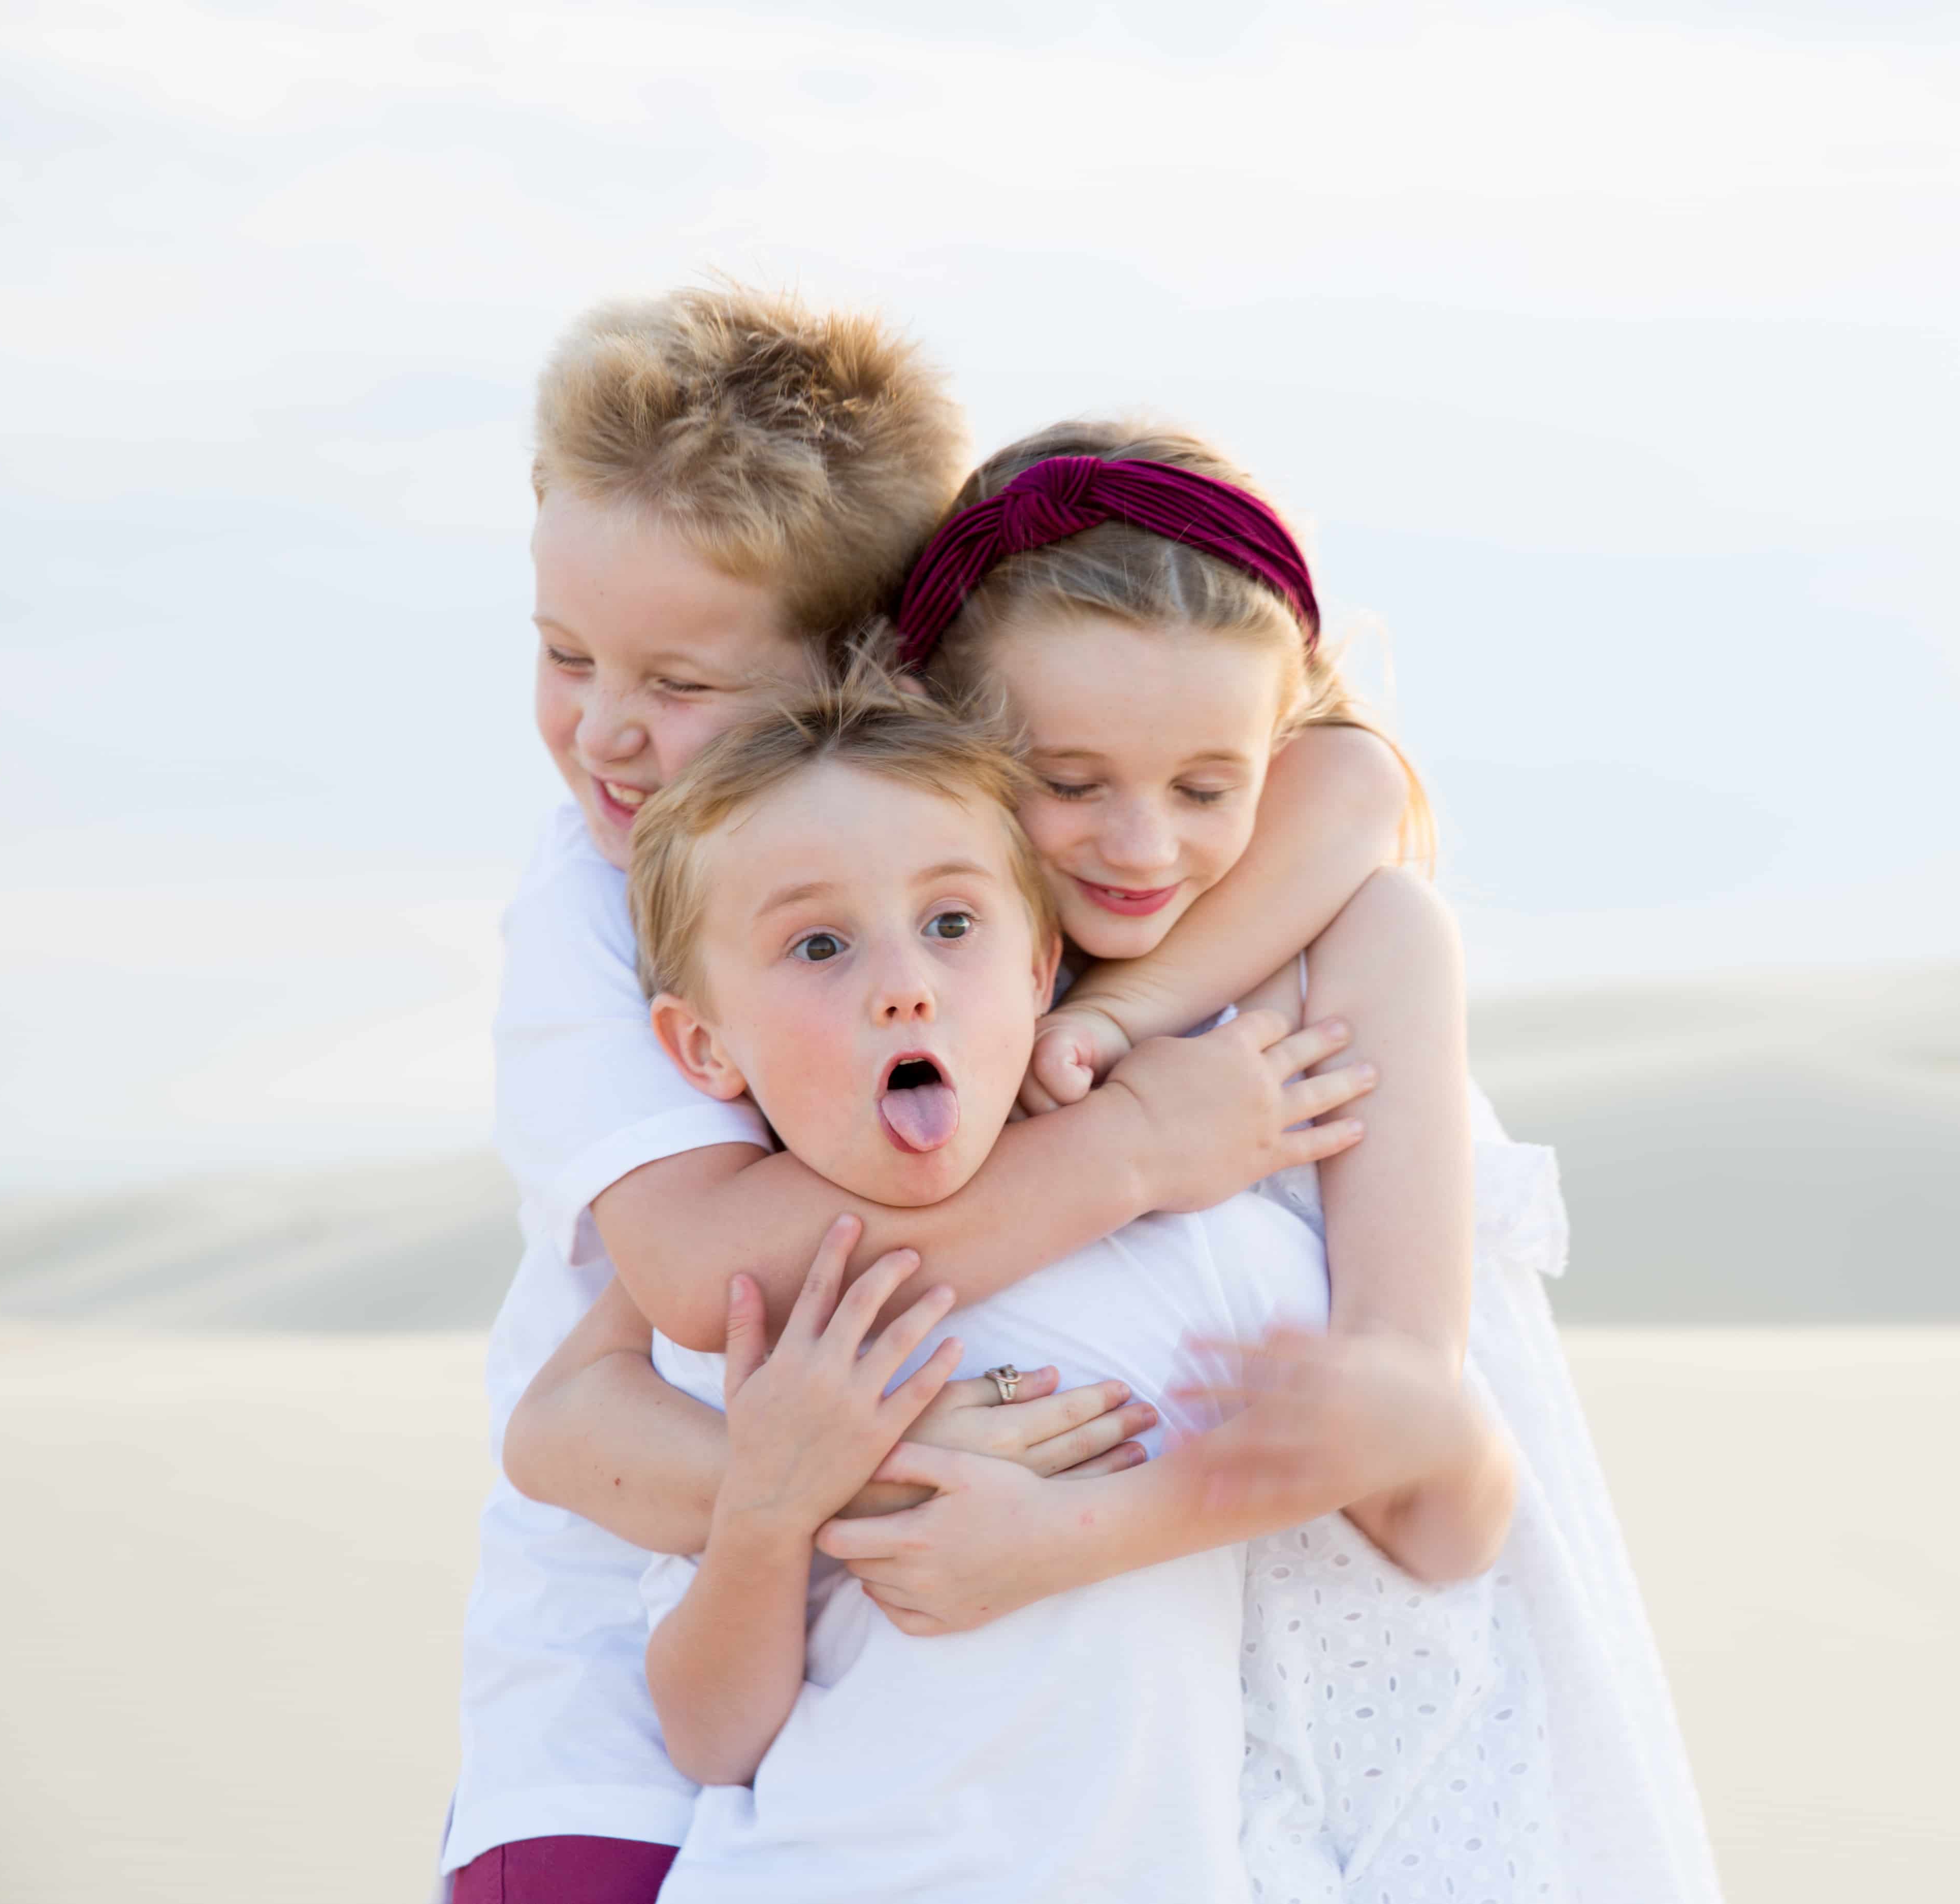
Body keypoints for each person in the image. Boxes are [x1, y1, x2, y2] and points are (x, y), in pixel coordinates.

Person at [529, 419, 1722, 1899]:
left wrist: (1127, 1030)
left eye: (1207, 791)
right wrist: (840, 1485)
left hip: (1355, 1731)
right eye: (1069, 781)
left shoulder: (1338, 948)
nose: (1142, 846)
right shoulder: (887, 997)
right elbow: (605, 1381)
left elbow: (1419, 1429)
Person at [447, 284, 1383, 1903]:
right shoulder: (595, 900)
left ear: (879, 676)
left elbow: (1346, 778)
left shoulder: (946, 858)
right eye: (563, 654)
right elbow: (694, 1273)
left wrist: (1133, 1014)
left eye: (681, 682)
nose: (605, 731)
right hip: (610, 1701)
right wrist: (1133, 1146)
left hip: (892, 1722)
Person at [561, 681, 1490, 1898]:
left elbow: (1444, 1522)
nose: (904, 984)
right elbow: (711, 1741)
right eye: (819, 946)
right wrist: (766, 1512)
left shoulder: (1188, 1237)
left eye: (952, 924)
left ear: (1040, 966)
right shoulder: (766, 1305)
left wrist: (1076, 1535)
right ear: (704, 1047)